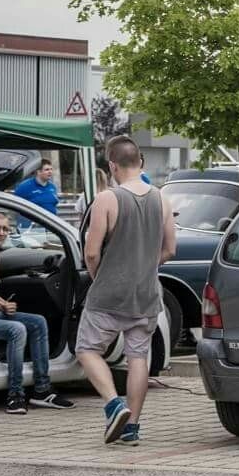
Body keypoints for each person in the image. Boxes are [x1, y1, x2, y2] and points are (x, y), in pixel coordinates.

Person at [79, 135, 177, 445]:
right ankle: (132, 426)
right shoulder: (161, 198)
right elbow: (170, 249)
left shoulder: (107, 199)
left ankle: (113, 404)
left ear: (111, 165)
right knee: (138, 359)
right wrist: (146, 266)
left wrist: (99, 277)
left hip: (109, 293)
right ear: (141, 163)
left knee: (87, 350)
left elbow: (91, 252)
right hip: (146, 293)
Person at [0, 210, 74, 414]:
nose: (2, 232)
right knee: (17, 329)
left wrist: (2, 304)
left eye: (6, 229)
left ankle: (42, 390)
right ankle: (15, 395)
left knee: (38, 322)